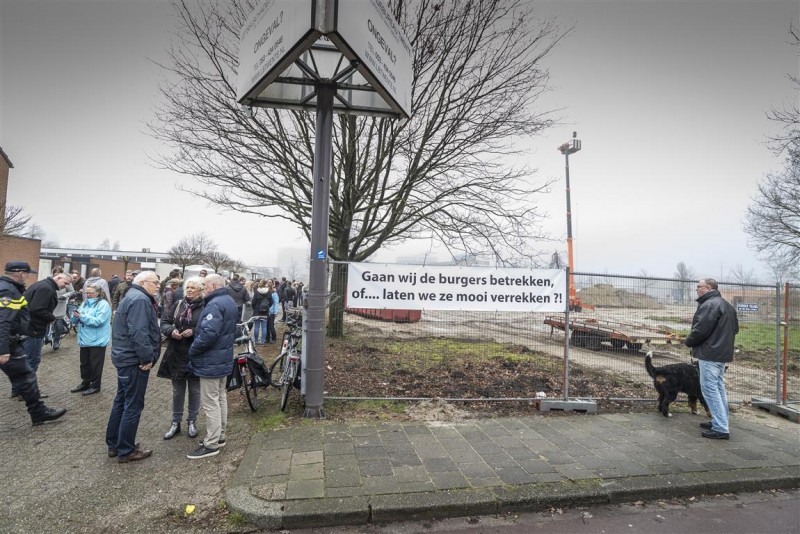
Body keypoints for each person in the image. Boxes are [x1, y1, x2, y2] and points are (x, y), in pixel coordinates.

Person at [0, 261, 67, 425]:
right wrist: (3, 349)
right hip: (7, 342)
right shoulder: (8, 291)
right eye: (27, 273)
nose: (28, 277)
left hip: (12, 340)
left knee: (24, 375)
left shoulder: (9, 287)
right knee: (26, 375)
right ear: (20, 274)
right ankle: (38, 413)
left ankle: (38, 413)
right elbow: (3, 322)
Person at [105, 271, 161, 463]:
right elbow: (138, 331)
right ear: (143, 282)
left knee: (121, 400)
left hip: (124, 358)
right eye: (155, 282)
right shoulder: (140, 300)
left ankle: (115, 443)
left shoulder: (133, 296)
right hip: (133, 360)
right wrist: (146, 358)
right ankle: (126, 450)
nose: (158, 285)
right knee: (132, 404)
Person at [186, 274, 236, 459]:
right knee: (220, 397)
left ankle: (211, 443)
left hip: (211, 360)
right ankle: (220, 436)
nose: (203, 288)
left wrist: (193, 349)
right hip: (222, 358)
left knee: (210, 402)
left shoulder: (214, 304)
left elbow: (208, 333)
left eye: (205, 285)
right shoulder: (228, 300)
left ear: (213, 285)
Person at [684, 278, 739, 440]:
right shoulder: (726, 305)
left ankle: (721, 428)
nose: (696, 290)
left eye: (698, 287)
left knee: (710, 389)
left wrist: (689, 341)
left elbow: (700, 330)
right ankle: (720, 421)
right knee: (718, 387)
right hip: (721, 353)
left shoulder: (709, 305)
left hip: (709, 353)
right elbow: (735, 329)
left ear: (708, 288)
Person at [157, 276, 205, 440]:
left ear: (200, 289)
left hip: (195, 354)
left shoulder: (205, 306)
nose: (190, 290)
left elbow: (208, 327)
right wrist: (171, 331)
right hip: (176, 354)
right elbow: (164, 322)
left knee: (195, 390)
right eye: (188, 287)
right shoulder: (179, 305)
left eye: (193, 287)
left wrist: (194, 331)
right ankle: (175, 422)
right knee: (177, 391)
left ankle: (192, 421)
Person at [16, 271, 73, 398]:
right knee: (32, 360)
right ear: (58, 278)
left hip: (25, 327)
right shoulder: (46, 289)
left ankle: (18, 389)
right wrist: (52, 318)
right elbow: (37, 309)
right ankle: (27, 392)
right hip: (34, 329)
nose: (65, 286)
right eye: (65, 283)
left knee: (22, 360)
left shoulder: (41, 284)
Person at [69, 282, 112, 396]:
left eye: (90, 293)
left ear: (98, 293)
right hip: (84, 338)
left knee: (95, 365)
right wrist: (74, 315)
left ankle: (95, 385)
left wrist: (81, 316)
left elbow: (98, 321)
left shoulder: (103, 304)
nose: (88, 294)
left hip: (97, 340)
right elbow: (76, 319)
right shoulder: (85, 303)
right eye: (86, 292)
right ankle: (85, 382)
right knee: (84, 364)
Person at [250, 280, 271, 344]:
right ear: (266, 284)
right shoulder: (269, 292)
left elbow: (253, 302)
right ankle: (263, 341)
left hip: (257, 311)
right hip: (265, 312)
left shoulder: (256, 292)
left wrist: (254, 308)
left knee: (256, 326)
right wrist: (267, 307)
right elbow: (271, 302)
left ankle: (256, 341)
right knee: (264, 327)